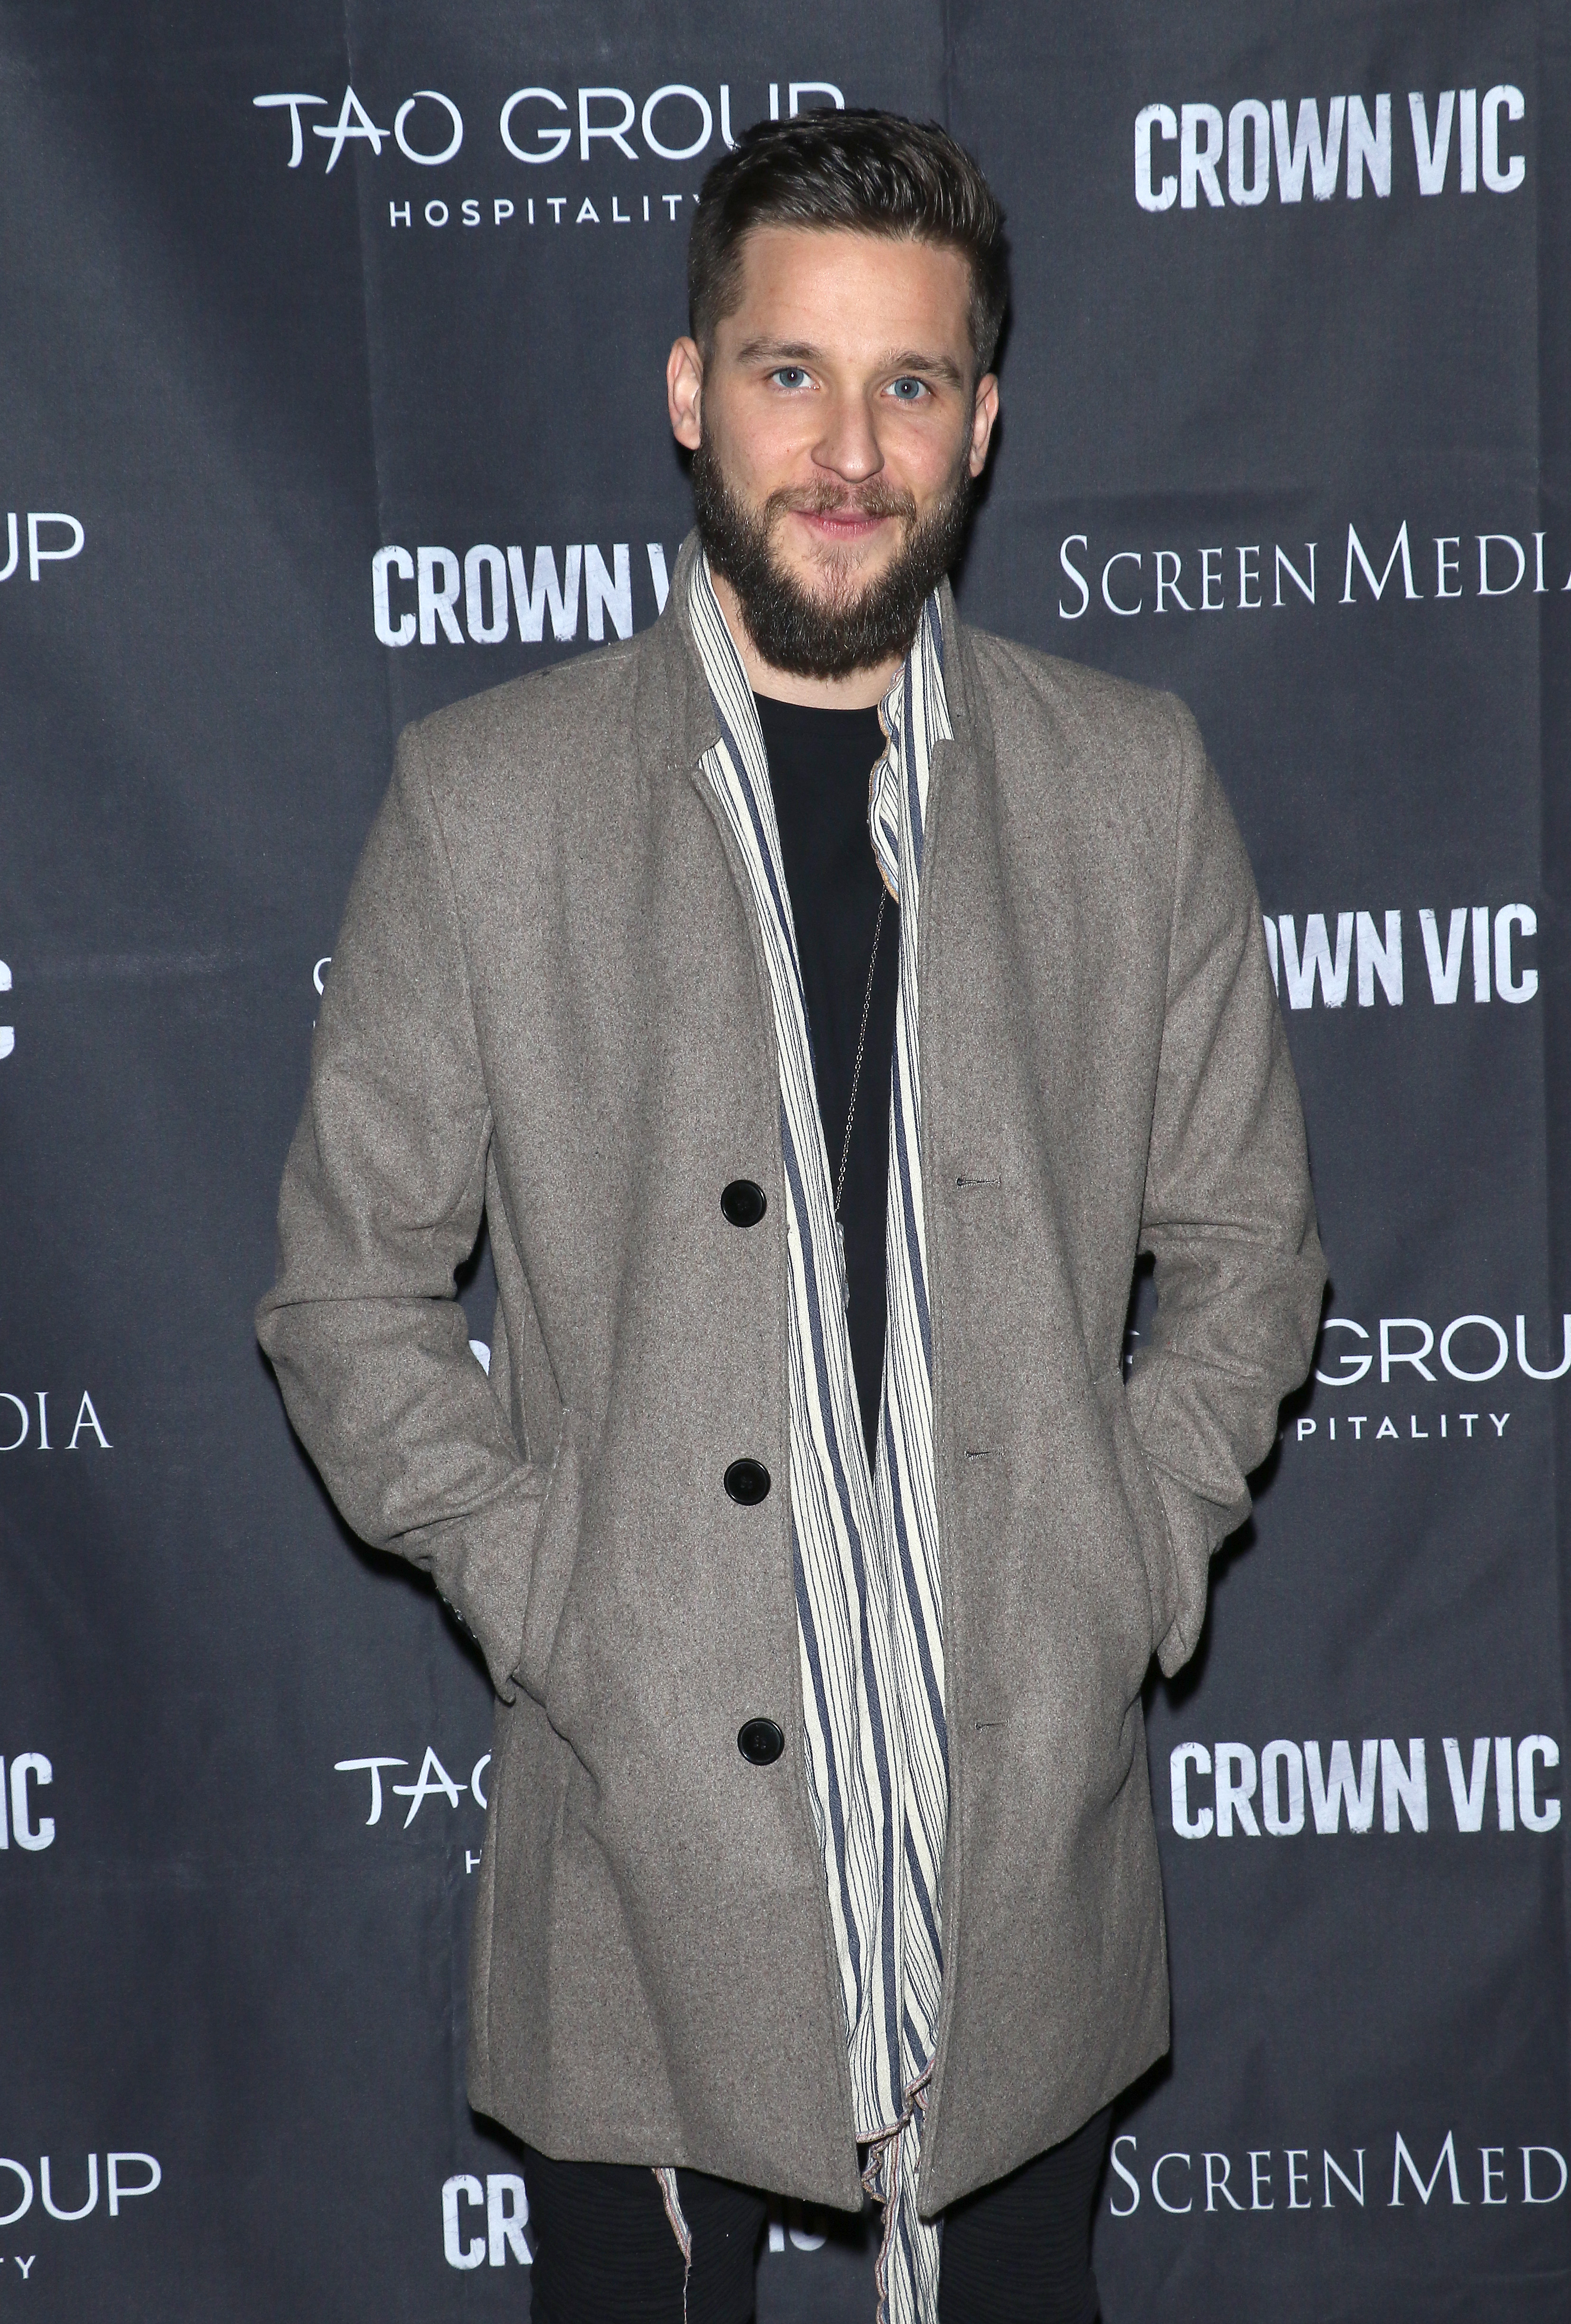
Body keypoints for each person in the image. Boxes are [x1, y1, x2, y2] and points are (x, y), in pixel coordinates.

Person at [258, 109, 1324, 2324]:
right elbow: (348, 1294)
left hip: (1016, 1854)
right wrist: (559, 1592)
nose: (849, 449)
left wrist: (1121, 1558)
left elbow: (1245, 1260)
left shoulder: (1136, 791)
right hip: (642, 1878)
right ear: (688, 391)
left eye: (909, 383)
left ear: (984, 421)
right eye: (789, 372)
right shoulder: (491, 804)